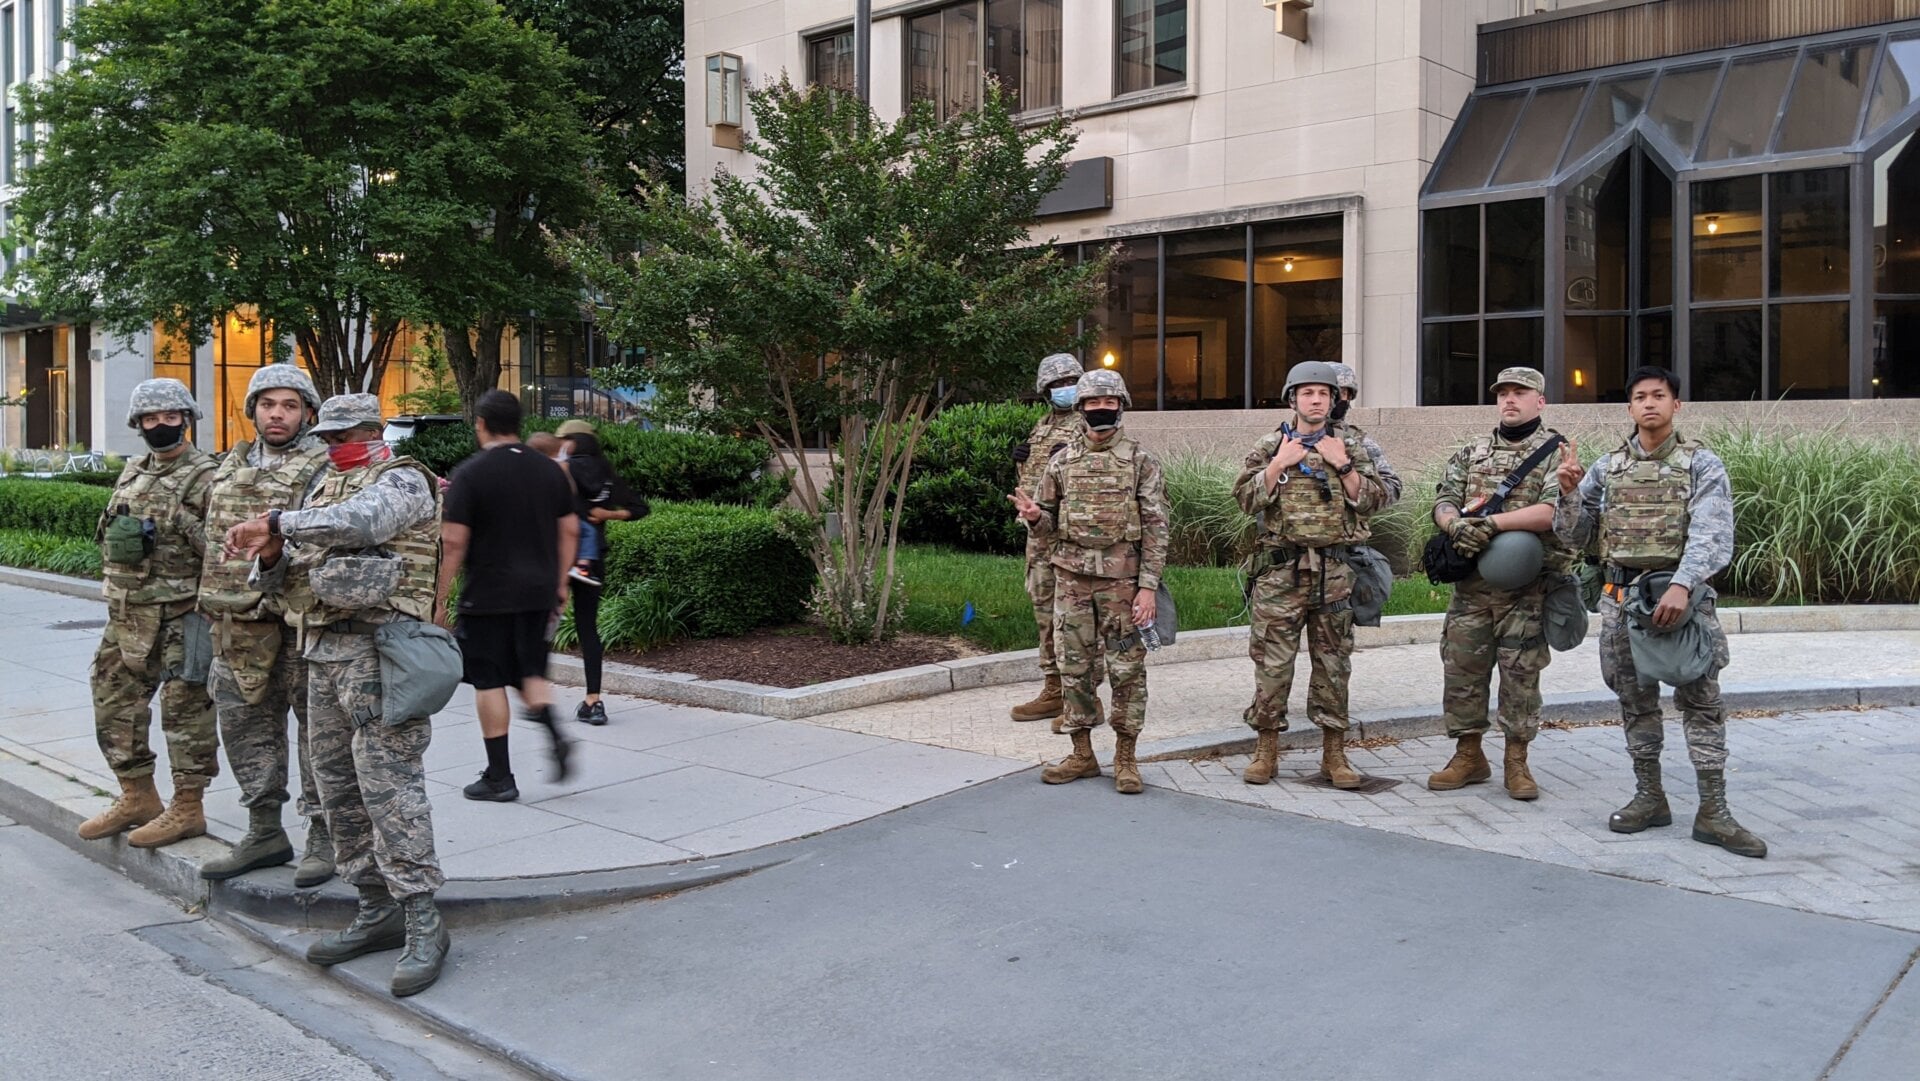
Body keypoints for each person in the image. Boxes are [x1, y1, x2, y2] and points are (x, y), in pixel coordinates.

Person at [226, 392, 452, 996]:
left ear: (376, 428)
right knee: (338, 788)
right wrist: (271, 554)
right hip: (322, 653)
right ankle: (375, 908)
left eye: (347, 433)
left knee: (392, 790)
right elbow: (283, 577)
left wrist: (274, 523)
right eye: (328, 436)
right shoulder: (319, 489)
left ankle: (424, 920)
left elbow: (363, 523)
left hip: (385, 654)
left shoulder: (402, 480)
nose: (336, 445)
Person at [1554, 366, 1767, 859]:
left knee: (1701, 701)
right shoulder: (1606, 469)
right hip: (1622, 601)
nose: (1649, 403)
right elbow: (1574, 537)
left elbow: (1713, 534)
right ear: (1629, 408)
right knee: (1635, 701)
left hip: (1683, 603)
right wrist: (1566, 495)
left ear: (1676, 405)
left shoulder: (1702, 465)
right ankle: (1650, 798)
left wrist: (1682, 583)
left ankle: (1714, 812)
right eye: (1640, 397)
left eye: (1659, 395)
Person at [196, 365, 337, 886]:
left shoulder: (324, 468)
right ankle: (264, 832)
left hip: (302, 625)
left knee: (319, 738)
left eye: (290, 405)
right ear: (252, 410)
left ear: (307, 414)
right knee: (245, 731)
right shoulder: (228, 466)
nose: (277, 414)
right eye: (268, 404)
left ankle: (325, 835)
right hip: (237, 627)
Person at [1008, 368, 1169, 795]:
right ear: (1081, 409)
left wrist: (1148, 586)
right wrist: (1034, 518)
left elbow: (1156, 527)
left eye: (1108, 403)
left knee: (1127, 672)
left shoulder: (1140, 461)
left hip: (1122, 586)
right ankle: (1081, 753)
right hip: (1072, 584)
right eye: (1093, 403)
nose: (1101, 410)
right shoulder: (1061, 461)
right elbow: (1045, 522)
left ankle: (1126, 758)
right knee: (1074, 669)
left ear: (1121, 406)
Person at [76, 379, 220, 848]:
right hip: (128, 612)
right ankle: (137, 795)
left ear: (187, 419)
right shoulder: (135, 470)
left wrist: (179, 517)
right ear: (138, 425)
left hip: (182, 614)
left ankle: (187, 808)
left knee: (186, 713)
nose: (161, 426)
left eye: (169, 417)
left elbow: (224, 551)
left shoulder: (208, 476)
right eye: (150, 419)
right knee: (113, 702)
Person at [1232, 361, 1390, 789]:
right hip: (1280, 573)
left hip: (1335, 573)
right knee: (1272, 665)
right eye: (1307, 393)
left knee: (1333, 667)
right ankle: (1266, 751)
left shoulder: (1350, 446)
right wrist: (1278, 463)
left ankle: (1334, 755)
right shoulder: (1269, 445)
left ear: (1335, 399)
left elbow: (1378, 499)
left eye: (1324, 393)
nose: (1316, 399)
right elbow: (1245, 499)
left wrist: (1344, 467)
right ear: (1293, 399)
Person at [1427, 367, 1570, 800]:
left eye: (1520, 393)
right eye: (1503, 393)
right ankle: (1469, 756)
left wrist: (1488, 523)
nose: (1510, 399)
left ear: (1539, 401)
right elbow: (1444, 498)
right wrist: (1453, 525)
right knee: (1462, 670)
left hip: (1525, 591)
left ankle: (1516, 761)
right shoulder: (1472, 451)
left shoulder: (1556, 453)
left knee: (1520, 674)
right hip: (1471, 588)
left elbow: (1551, 511)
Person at [438, 390, 578, 800]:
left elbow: (454, 542)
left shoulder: (470, 474)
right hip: (539, 591)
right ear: (519, 422)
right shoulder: (550, 470)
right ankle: (556, 734)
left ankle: (499, 776)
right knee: (530, 671)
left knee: (489, 680)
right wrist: (561, 581)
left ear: (480, 423)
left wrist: (440, 596)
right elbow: (570, 529)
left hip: (489, 593)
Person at [1007, 353, 1101, 729]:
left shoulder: (1090, 424)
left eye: (1070, 382)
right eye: (1056, 384)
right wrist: (1023, 462)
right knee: (1045, 613)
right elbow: (1040, 484)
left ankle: (1084, 696)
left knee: (1077, 621)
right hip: (1040, 536)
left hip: (1071, 539)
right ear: (1045, 390)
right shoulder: (1044, 425)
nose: (1064, 389)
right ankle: (1053, 688)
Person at [553, 418, 646, 726]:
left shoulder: (561, 469)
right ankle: (594, 699)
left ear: (570, 441)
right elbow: (640, 508)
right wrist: (609, 513)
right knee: (587, 627)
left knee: (541, 619)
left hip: (558, 556)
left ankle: (532, 694)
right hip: (592, 561)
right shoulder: (606, 473)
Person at [1327, 362, 1404, 506]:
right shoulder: (1285, 441)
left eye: (1342, 393)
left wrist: (1349, 473)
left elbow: (1392, 490)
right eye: (1330, 393)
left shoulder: (1361, 444)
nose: (1334, 400)